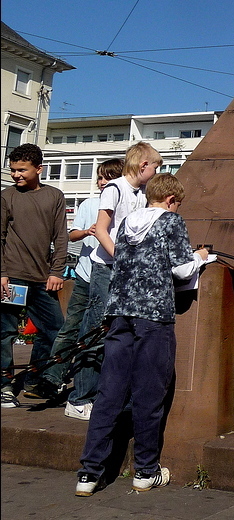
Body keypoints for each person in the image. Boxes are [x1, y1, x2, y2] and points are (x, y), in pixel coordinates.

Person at [76, 172, 209, 496]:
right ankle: (145, 472)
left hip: (120, 315)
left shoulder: (128, 222)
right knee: (149, 396)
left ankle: (88, 475)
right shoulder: (171, 222)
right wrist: (200, 257)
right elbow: (180, 269)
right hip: (154, 317)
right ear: (171, 200)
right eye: (177, 204)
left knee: (109, 396)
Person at [65, 141, 162, 421]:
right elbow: (102, 231)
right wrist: (120, 258)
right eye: (155, 166)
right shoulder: (115, 189)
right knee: (95, 330)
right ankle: (79, 398)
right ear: (144, 165)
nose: (156, 171)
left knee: (122, 333)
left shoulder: (143, 192)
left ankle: (111, 396)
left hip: (128, 271)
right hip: (107, 269)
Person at [24, 158, 124, 402]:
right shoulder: (89, 204)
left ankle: (92, 385)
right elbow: (72, 234)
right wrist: (88, 231)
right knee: (69, 328)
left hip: (108, 274)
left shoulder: (126, 203)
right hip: (84, 273)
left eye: (107, 178)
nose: (102, 183)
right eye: (99, 178)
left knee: (97, 333)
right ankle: (52, 379)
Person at [1, 144, 67, 408]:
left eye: (22, 170)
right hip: (12, 277)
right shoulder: (7, 196)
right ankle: (4, 384)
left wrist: (57, 271)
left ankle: (35, 378)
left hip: (42, 279)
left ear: (39, 169)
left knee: (54, 329)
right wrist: (2, 273)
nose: (16, 175)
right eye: (13, 170)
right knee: (6, 332)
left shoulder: (55, 196)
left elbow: (61, 236)